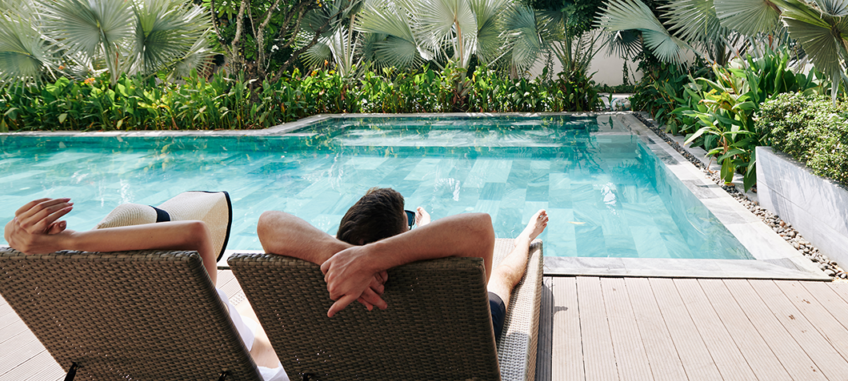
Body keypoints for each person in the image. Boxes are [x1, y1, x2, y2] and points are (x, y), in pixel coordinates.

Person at [4, 195, 286, 381]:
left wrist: (17, 235)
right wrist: (68, 240)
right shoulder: (196, 294)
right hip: (246, 365)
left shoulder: (95, 308)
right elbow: (196, 231)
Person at [258, 187, 548, 341]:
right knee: (504, 276)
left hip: (367, 355)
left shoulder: (329, 275)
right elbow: (480, 227)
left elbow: (267, 222)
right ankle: (526, 236)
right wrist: (369, 259)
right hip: (455, 340)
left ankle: (424, 228)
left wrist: (349, 256)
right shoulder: (431, 279)